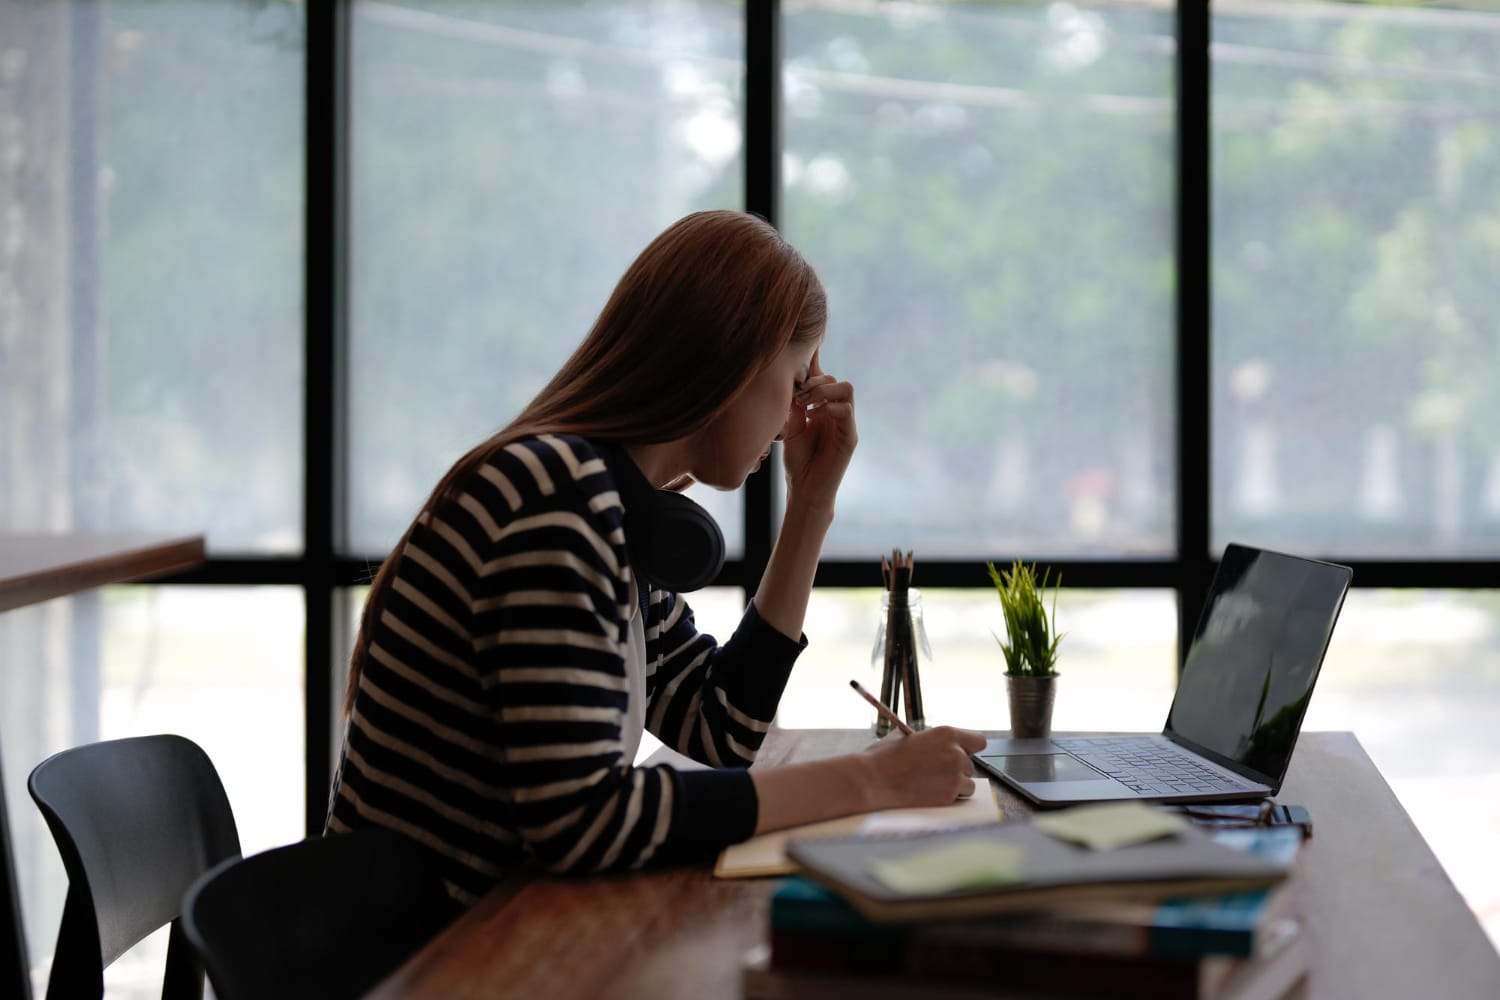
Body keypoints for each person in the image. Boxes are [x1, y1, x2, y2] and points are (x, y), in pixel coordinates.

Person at [327, 210, 987, 905]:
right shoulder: (552, 494)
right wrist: (872, 780)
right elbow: (581, 821)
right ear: (737, 357)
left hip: (494, 933)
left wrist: (811, 505)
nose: (797, 412)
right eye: (796, 379)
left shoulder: (607, 504)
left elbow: (721, 725)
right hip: (430, 961)